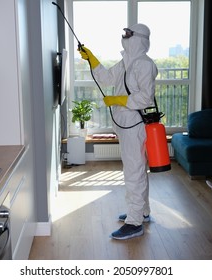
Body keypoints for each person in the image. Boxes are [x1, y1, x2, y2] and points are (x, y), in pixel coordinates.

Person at [78, 23, 158, 240]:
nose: (124, 37)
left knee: (134, 173)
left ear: (139, 38)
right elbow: (106, 79)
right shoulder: (126, 63)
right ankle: (142, 212)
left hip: (134, 126)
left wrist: (117, 100)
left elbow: (145, 98)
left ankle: (134, 223)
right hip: (125, 126)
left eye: (129, 34)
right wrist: (91, 58)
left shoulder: (144, 64)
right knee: (137, 170)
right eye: (124, 33)